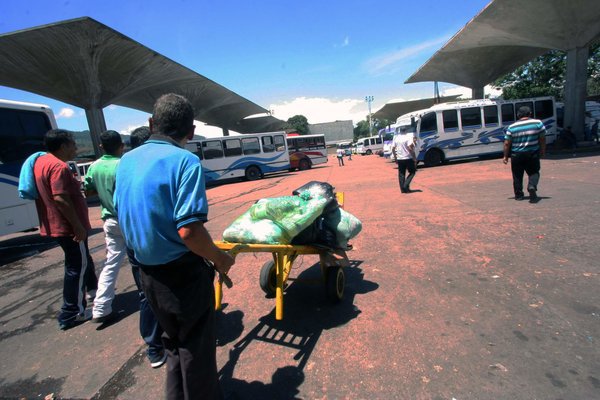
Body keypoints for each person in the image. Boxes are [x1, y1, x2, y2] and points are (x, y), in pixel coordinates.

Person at [114, 94, 235, 399]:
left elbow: (121, 213)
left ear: (152, 123)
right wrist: (220, 259)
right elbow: (189, 231)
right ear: (191, 131)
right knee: (196, 350)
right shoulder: (185, 161)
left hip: (147, 275)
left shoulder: (126, 161)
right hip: (183, 277)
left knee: (173, 345)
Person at [33, 129, 98, 330]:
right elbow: (60, 197)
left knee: (82, 260)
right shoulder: (58, 166)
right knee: (76, 266)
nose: (75, 148)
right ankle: (72, 312)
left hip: (56, 224)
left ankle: (92, 291)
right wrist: (77, 226)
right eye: (73, 145)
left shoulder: (41, 162)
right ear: (62, 146)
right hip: (68, 228)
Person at [127, 125, 167, 369]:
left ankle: (154, 345)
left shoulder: (125, 165)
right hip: (153, 240)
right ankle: (159, 344)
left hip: (133, 238)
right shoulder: (153, 165)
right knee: (158, 293)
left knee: (145, 293)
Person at [84, 131, 126, 325]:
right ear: (122, 145)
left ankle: (101, 307)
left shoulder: (94, 166)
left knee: (111, 263)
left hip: (109, 220)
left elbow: (89, 190)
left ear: (101, 147)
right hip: (128, 220)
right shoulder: (123, 164)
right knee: (141, 260)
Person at [503, 105, 546, 203]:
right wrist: (543, 151)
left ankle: (518, 195)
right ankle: (532, 186)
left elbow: (506, 143)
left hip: (516, 154)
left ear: (518, 115)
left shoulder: (511, 127)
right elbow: (542, 139)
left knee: (517, 175)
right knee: (534, 172)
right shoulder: (538, 123)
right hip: (532, 153)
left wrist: (505, 156)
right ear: (530, 114)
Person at [391, 127, 417, 193]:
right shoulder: (408, 138)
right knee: (412, 172)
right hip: (408, 157)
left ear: (400, 131)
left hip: (400, 158)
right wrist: (414, 157)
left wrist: (395, 157)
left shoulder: (396, 138)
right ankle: (405, 185)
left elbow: (393, 148)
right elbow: (410, 148)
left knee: (401, 174)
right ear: (405, 131)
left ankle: (403, 189)